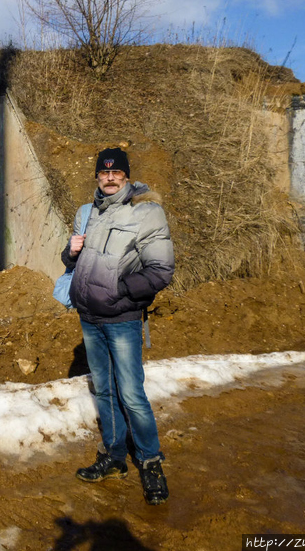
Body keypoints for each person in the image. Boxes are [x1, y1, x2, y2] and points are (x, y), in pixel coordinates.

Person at [61, 147, 175, 505]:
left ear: (126, 175)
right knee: (105, 391)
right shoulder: (88, 211)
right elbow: (72, 263)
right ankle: (114, 457)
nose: (109, 177)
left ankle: (150, 462)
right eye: (103, 172)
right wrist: (71, 251)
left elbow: (160, 270)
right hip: (90, 318)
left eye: (116, 172)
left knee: (131, 394)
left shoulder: (145, 212)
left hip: (122, 318)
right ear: (97, 176)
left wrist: (118, 292)